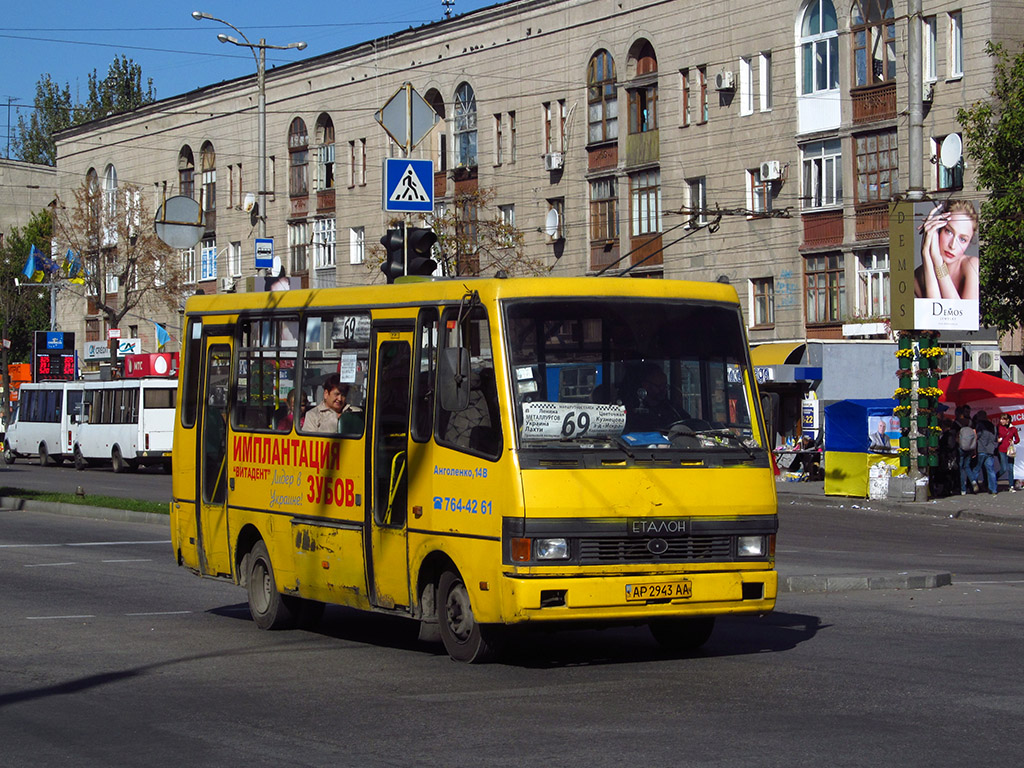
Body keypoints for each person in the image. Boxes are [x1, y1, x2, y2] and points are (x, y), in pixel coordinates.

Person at [914, 200, 979, 301]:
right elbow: (934, 312)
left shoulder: (973, 266)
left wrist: (938, 262)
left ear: (969, 243)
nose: (952, 245)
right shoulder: (917, 276)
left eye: (962, 239)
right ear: (938, 229)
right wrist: (926, 253)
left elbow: (960, 315)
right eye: (949, 232)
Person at [975, 415, 998, 495]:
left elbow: (978, 436)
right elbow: (995, 438)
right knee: (991, 470)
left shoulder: (980, 425)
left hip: (981, 449)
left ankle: (973, 485)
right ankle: (993, 489)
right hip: (990, 450)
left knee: (977, 469)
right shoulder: (993, 426)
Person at [996, 413, 1020, 492]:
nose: (1001, 421)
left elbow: (1017, 439)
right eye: (1001, 419)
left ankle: (1011, 486)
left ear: (1008, 420)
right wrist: (998, 440)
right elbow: (995, 436)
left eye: (1003, 419)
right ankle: (993, 478)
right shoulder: (999, 427)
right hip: (1002, 450)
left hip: (1010, 450)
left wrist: (1013, 441)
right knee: (1004, 468)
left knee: (1010, 468)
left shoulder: (1013, 429)